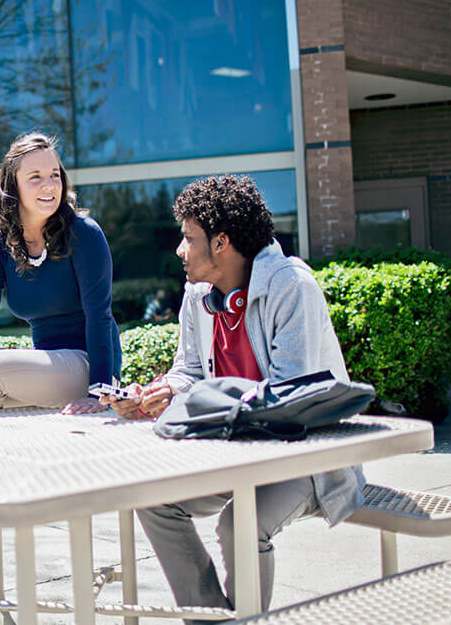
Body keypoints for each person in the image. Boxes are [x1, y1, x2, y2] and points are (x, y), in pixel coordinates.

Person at [100, 174, 363, 618]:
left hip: (306, 456)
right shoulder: (197, 294)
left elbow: (290, 398)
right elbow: (189, 371)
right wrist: (163, 391)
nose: (180, 251)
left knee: (237, 525)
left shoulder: (290, 286)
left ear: (220, 242)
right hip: (231, 455)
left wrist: (195, 400)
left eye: (188, 238)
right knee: (154, 500)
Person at [0, 132, 121, 415]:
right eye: (35, 177)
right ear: (13, 186)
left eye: (55, 175)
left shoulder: (84, 234)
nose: (50, 185)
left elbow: (99, 316)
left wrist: (98, 393)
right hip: (45, 366)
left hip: (88, 366)